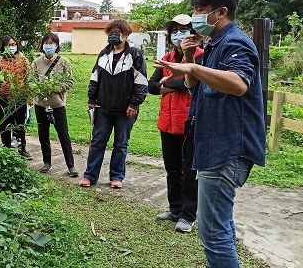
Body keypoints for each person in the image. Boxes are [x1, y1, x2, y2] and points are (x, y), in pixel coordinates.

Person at [154, 0, 266, 267]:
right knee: (219, 224)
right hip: (213, 145)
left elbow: (239, 84)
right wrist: (191, 59)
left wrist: (192, 67)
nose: (195, 17)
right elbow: (194, 88)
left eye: (200, 10)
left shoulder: (235, 42)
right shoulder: (213, 44)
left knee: (213, 230)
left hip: (226, 148)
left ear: (221, 12)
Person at [149, 14, 204, 233]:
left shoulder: (200, 56)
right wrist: (168, 84)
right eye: (175, 30)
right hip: (167, 121)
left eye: (183, 30)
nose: (178, 34)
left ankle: (188, 215)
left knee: (189, 171)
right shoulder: (167, 57)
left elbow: (189, 82)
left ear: (193, 34)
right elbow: (151, 86)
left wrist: (166, 83)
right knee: (171, 168)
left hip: (188, 121)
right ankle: (175, 209)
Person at [80, 19, 147, 189]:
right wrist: (91, 100)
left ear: (125, 34)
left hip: (126, 110)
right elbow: (94, 78)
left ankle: (117, 177)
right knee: (97, 142)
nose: (112, 36)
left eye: (116, 32)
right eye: (110, 33)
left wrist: (134, 103)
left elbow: (141, 82)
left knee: (121, 144)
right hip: (103, 108)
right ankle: (90, 175)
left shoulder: (135, 54)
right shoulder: (103, 54)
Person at [31, 33, 78, 177]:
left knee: (63, 135)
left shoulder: (64, 62)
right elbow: (30, 80)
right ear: (42, 45)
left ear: (57, 45)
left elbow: (70, 81)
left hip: (57, 105)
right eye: (46, 43)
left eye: (52, 43)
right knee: (43, 134)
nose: (49, 46)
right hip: (40, 104)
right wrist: (36, 87)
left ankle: (71, 165)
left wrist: (57, 88)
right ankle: (47, 162)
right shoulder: (36, 62)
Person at [0, 35, 32, 159]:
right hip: (4, 98)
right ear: (3, 47)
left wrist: (30, 97)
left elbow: (29, 80)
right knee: (4, 123)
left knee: (19, 124)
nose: (12, 47)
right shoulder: (0, 62)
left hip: (20, 98)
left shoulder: (23, 60)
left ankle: (21, 149)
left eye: (14, 44)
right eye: (9, 45)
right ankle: (6, 147)